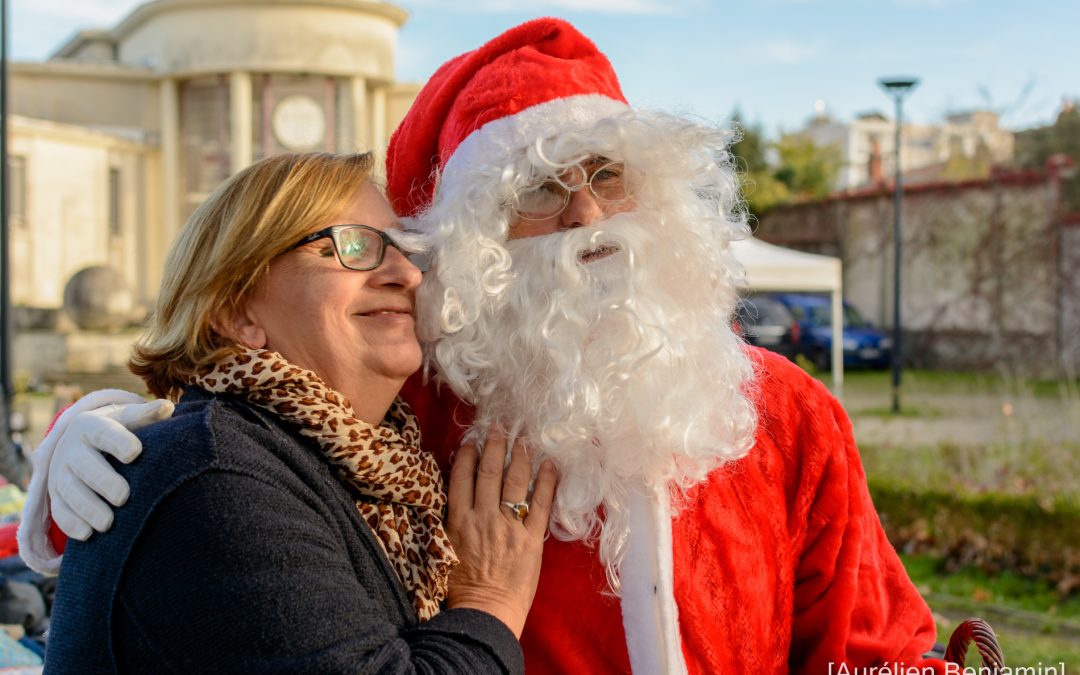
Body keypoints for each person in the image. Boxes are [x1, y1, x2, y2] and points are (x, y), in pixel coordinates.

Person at [22, 19, 948, 674]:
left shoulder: (784, 412)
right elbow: (252, 446)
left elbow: (872, 647)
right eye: (540, 190)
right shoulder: (424, 407)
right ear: (478, 245)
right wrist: (100, 430)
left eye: (607, 175)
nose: (587, 215)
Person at [26, 151, 556, 673]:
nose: (405, 274)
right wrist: (489, 601)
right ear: (236, 311)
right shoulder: (213, 477)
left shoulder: (364, 468)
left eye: (404, 246)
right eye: (353, 246)